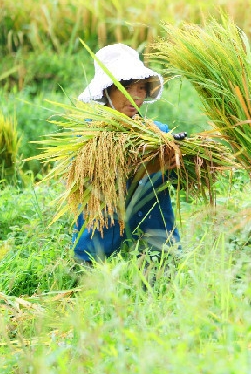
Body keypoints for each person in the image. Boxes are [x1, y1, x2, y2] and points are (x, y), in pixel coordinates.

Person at [74, 43, 183, 264]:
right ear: (107, 90)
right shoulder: (89, 138)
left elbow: (179, 181)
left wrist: (181, 159)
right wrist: (147, 168)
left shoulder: (159, 133)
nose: (135, 96)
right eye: (126, 87)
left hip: (156, 249)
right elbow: (99, 187)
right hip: (100, 253)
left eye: (141, 88)